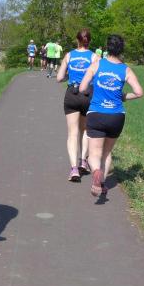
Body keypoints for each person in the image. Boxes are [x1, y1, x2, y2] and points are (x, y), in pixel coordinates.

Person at [79, 34, 144, 197]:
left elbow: (82, 88)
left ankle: (96, 172)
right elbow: (139, 92)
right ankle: (102, 183)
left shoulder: (97, 64)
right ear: (121, 49)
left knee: (94, 154)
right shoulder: (125, 69)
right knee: (107, 152)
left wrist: (92, 91)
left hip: (96, 113)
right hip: (116, 116)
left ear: (107, 48)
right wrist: (123, 96)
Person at [56, 29, 97, 181]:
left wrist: (69, 75)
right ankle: (83, 161)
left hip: (72, 94)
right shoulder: (94, 57)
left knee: (72, 133)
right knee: (85, 129)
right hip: (87, 95)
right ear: (89, 41)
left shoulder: (69, 55)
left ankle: (74, 169)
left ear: (77, 40)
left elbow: (59, 78)